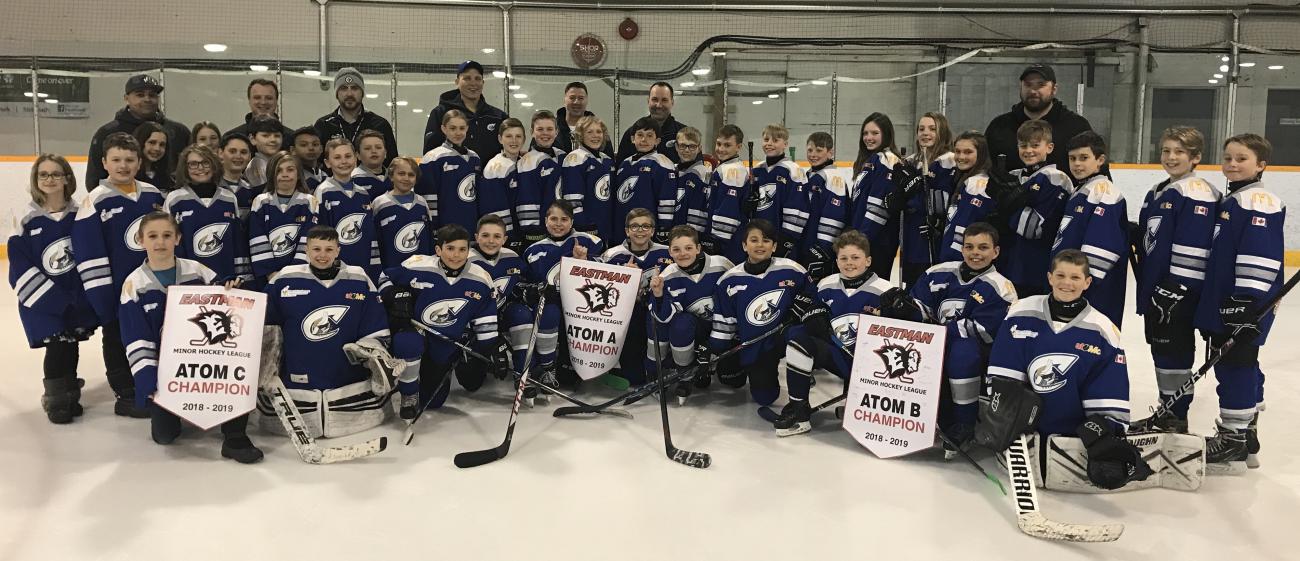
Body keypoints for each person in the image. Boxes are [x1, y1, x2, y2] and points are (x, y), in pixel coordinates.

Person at [980, 250, 1148, 491]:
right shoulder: (1022, 312)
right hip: (1024, 426)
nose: (1066, 283)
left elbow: (1108, 386)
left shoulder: (1103, 330)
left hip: (1072, 433)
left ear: (1087, 282)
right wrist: (1003, 417)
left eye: (1075, 278)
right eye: (1060, 275)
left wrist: (1104, 432)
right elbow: (1004, 373)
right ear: (1049, 277)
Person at [117, 211, 261, 462]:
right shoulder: (134, 285)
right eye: (153, 236)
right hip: (168, 370)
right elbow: (136, 340)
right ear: (141, 240)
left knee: (235, 372)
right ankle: (177, 410)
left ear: (178, 238)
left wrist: (232, 287)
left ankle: (235, 435)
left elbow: (224, 291)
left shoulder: (196, 270)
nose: (160, 242)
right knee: (164, 436)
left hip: (208, 359)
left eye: (166, 235)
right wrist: (149, 383)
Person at [1191, 133, 1285, 471]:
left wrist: (1246, 302)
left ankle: (1233, 437)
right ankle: (1247, 432)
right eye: (1228, 157)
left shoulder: (1256, 200)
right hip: (1234, 301)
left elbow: (1260, 255)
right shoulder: (1236, 199)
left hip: (1245, 303)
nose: (1232, 163)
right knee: (1243, 360)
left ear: (1261, 165)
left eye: (1241, 158)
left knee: (1235, 363)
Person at [889, 222, 1018, 449]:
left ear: (996, 252)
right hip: (934, 340)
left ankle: (964, 423)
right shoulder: (938, 272)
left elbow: (983, 330)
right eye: (969, 247)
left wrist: (932, 331)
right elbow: (921, 306)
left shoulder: (1001, 287)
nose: (975, 253)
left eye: (983, 248)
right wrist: (905, 308)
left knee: (962, 351)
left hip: (977, 351)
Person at [259, 226, 391, 438]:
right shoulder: (285, 278)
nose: (322, 255)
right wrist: (267, 366)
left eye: (329, 249)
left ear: (338, 250)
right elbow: (266, 324)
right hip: (296, 380)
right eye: (317, 249)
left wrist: (370, 350)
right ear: (306, 251)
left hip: (350, 387)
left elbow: (375, 325)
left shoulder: (358, 278)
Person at [1129, 127, 1219, 434]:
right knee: (1163, 352)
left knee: (1175, 353)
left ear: (1196, 157)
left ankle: (1175, 417)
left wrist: (1177, 287)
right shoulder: (1160, 190)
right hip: (1159, 289)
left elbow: (1195, 245)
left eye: (1179, 152)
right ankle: (1168, 410)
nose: (1171, 157)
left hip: (1178, 292)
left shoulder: (1196, 191)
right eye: (1166, 150)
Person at [72, 132, 166, 418]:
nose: (123, 166)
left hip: (152, 284)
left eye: (129, 160)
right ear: (104, 163)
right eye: (116, 160)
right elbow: (89, 255)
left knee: (150, 335)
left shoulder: (152, 195)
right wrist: (103, 298)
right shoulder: (95, 201)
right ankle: (125, 392)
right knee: (116, 336)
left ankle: (153, 385)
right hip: (116, 290)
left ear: (139, 162)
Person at [771, 230, 893, 436]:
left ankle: (862, 403)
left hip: (873, 367)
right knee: (798, 338)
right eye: (843, 258)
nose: (849, 263)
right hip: (839, 355)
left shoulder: (885, 290)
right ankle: (798, 410)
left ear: (868, 260)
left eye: (855, 257)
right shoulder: (826, 284)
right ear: (836, 261)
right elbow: (813, 311)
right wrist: (812, 317)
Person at [9, 155, 98, 424]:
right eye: (43, 175)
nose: (50, 180)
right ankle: (56, 400)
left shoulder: (81, 213)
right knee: (56, 345)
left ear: (67, 178)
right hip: (43, 299)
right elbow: (19, 263)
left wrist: (84, 294)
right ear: (36, 180)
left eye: (56, 174)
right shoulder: (25, 218)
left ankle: (70, 393)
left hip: (75, 294)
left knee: (71, 344)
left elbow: (91, 253)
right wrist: (51, 298)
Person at [381, 224, 503, 418]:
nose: (456, 255)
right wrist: (394, 294)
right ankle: (409, 394)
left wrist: (492, 350)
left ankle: (429, 378)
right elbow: (385, 276)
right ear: (438, 250)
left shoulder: (480, 279)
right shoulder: (417, 265)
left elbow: (485, 319)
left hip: (445, 341)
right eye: (450, 249)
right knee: (406, 342)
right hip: (416, 331)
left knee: (434, 402)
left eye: (462, 249)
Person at [706, 219, 809, 406]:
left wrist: (804, 308)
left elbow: (811, 298)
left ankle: (800, 376)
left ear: (774, 246)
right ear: (745, 246)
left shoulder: (792, 270)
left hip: (783, 336)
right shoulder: (729, 280)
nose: (760, 245)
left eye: (766, 240)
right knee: (763, 397)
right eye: (754, 240)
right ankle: (751, 368)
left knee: (800, 337)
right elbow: (725, 322)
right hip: (754, 344)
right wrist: (714, 351)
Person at [517, 200, 604, 397]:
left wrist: (584, 261)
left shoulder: (589, 242)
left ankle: (581, 365)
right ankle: (546, 368)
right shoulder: (532, 251)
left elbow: (606, 273)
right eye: (553, 219)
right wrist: (534, 290)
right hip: (550, 305)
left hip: (583, 305)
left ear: (572, 222)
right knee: (549, 313)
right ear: (545, 221)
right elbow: (526, 282)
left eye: (564, 219)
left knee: (569, 377)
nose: (558, 223)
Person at [647, 225, 734, 402]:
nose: (683, 254)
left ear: (698, 248)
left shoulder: (721, 265)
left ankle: (707, 367)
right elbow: (664, 318)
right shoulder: (668, 275)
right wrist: (658, 293)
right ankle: (683, 375)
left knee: (734, 380)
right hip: (696, 331)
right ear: (669, 252)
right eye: (676, 249)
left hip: (723, 328)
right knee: (680, 324)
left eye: (688, 248)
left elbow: (736, 301)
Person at [1051, 131, 1128, 327]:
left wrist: (1080, 285)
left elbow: (1102, 248)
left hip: (1093, 292)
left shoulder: (1104, 191)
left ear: (1100, 160)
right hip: (1076, 286)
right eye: (1072, 158)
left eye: (1084, 158)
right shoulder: (1082, 190)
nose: (1077, 164)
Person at [813, 113, 902, 279]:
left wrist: (861, 241)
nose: (868, 137)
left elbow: (878, 209)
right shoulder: (869, 161)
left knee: (873, 290)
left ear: (886, 134)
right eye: (865, 133)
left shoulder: (886, 159)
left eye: (875, 133)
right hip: (864, 239)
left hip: (875, 241)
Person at [994, 120, 1073, 297]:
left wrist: (1004, 208)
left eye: (1035, 145)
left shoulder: (1056, 179)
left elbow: (1033, 228)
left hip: (1036, 269)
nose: (1028, 150)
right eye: (1023, 145)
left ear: (1050, 147)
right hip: (1008, 265)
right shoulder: (1014, 176)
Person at [601, 208, 672, 386]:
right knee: (634, 379)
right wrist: (625, 281)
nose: (640, 231)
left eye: (645, 226)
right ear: (626, 231)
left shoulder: (667, 253)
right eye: (635, 226)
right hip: (626, 313)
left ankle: (662, 366)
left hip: (657, 308)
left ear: (653, 230)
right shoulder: (612, 255)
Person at [985, 64, 1101, 172]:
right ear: (1020, 87)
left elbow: (1097, 171)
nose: (1033, 91)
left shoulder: (1077, 126)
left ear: (1054, 89)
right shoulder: (999, 126)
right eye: (1028, 84)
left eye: (1041, 85)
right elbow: (982, 168)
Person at [164, 144, 251, 284]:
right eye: (193, 164)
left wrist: (240, 277)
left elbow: (237, 241)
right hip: (188, 282)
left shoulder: (228, 198)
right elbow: (169, 243)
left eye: (205, 163)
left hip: (226, 280)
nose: (200, 168)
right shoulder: (175, 199)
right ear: (185, 168)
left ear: (214, 165)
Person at [86, 74, 189, 188]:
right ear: (126, 98)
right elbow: (94, 179)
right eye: (140, 95)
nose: (147, 99)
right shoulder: (107, 133)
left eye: (152, 95)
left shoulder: (178, 131)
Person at [897, 113, 958, 287]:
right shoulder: (910, 162)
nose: (925, 133)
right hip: (911, 235)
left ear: (943, 132)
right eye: (921, 129)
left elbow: (944, 202)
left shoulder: (949, 161)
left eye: (932, 129)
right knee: (911, 283)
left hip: (935, 237)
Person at [308, 138, 381, 281]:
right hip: (334, 268)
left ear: (356, 158)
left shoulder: (363, 194)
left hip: (363, 266)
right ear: (328, 163)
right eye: (337, 157)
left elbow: (370, 234)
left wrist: (375, 266)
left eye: (348, 156)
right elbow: (320, 233)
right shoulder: (323, 191)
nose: (344, 161)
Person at [468, 214, 531, 377]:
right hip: (474, 321)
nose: (491, 241)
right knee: (472, 383)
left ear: (504, 239)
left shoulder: (511, 257)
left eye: (497, 236)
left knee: (521, 314)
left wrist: (529, 289)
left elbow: (523, 281)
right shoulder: (466, 259)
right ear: (476, 237)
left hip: (502, 313)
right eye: (485, 235)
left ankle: (522, 372)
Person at [248, 151, 316, 286]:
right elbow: (257, 238)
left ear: (298, 174)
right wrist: (270, 273)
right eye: (279, 170)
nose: (285, 174)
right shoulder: (261, 201)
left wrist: (296, 270)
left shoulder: (309, 202)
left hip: (301, 275)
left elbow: (308, 239)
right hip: (268, 278)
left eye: (290, 170)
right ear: (271, 175)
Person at [423, 60, 508, 162]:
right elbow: (429, 153)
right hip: (451, 177)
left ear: (483, 82)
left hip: (489, 177)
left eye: (477, 78)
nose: (473, 83)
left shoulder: (498, 116)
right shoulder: (440, 113)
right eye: (467, 78)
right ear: (457, 82)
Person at [314, 67, 398, 169]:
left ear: (362, 93)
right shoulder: (323, 125)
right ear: (337, 94)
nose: (349, 94)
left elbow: (392, 163)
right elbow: (317, 163)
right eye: (344, 88)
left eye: (354, 88)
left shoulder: (379, 124)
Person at [611, 117, 675, 246]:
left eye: (649, 136)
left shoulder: (663, 163)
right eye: (640, 135)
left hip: (646, 229)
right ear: (632, 139)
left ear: (657, 141)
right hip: (622, 226)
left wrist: (664, 227)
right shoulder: (625, 163)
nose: (644, 139)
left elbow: (667, 199)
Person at [749, 124, 810, 261]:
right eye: (766, 140)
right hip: (758, 239)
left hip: (782, 240)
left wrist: (787, 239)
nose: (769, 144)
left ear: (785, 144)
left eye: (775, 141)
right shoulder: (758, 170)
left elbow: (798, 209)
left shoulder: (793, 170)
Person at [935, 131, 994, 264]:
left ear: (981, 154)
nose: (961, 156)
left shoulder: (977, 184)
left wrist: (951, 258)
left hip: (961, 260)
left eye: (968, 152)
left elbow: (965, 225)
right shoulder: (964, 180)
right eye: (958, 151)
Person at [418, 110, 481, 232]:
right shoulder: (432, 158)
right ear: (443, 129)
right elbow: (427, 195)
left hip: (471, 225)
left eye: (462, 128)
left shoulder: (475, 158)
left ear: (467, 128)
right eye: (452, 128)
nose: (458, 133)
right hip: (445, 227)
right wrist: (433, 227)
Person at [515, 111, 567, 243]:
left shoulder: (563, 156)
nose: (545, 133)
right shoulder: (528, 161)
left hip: (563, 227)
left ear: (556, 132)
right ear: (532, 132)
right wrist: (533, 231)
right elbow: (526, 198)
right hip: (541, 232)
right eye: (540, 129)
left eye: (549, 129)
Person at [372, 156, 432, 269]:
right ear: (391, 176)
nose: (406, 178)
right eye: (401, 173)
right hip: (391, 268)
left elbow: (429, 238)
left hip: (421, 268)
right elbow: (374, 240)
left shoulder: (422, 203)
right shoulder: (380, 203)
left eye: (411, 175)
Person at [800, 131, 844, 281]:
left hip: (819, 249)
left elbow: (835, 216)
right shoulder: (809, 175)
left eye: (819, 150)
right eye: (810, 150)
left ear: (830, 152)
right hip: (806, 243)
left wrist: (823, 249)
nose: (813, 154)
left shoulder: (833, 177)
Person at [705, 125, 750, 263]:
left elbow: (728, 209)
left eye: (727, 145)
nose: (721, 149)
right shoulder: (725, 167)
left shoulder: (733, 171)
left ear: (738, 147)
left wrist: (717, 240)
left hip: (728, 241)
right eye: (719, 144)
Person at [615, 82, 688, 164]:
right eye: (655, 99)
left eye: (664, 100)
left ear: (672, 102)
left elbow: (696, 168)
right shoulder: (632, 132)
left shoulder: (685, 134)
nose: (659, 105)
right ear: (648, 101)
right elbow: (620, 169)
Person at [479, 117, 526, 241]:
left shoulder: (525, 163)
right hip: (506, 237)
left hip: (522, 231)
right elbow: (494, 207)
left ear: (524, 139)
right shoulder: (494, 167)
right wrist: (507, 237)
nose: (514, 141)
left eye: (518, 136)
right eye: (509, 136)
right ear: (500, 139)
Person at [672, 126, 711, 237]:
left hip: (691, 236)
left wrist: (693, 236)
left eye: (692, 146)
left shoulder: (704, 174)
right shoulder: (670, 171)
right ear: (676, 146)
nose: (687, 150)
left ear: (699, 148)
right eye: (683, 146)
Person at [555, 81, 612, 156]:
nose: (576, 102)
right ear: (564, 100)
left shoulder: (599, 129)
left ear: (587, 100)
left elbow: (608, 157)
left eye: (581, 98)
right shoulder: (552, 128)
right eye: (572, 98)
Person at [228, 78, 294, 141]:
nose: (263, 102)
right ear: (249, 100)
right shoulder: (233, 137)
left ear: (276, 101)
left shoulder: (291, 138)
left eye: (269, 98)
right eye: (257, 97)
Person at [216, 133, 257, 220]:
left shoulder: (252, 190)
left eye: (243, 152)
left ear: (250, 156)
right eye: (232, 151)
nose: (238, 156)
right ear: (220, 153)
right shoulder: (211, 187)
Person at [242, 118, 286, 192]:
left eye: (277, 136)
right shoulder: (256, 164)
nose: (273, 140)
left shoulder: (281, 162)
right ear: (252, 139)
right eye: (265, 136)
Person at [133, 122, 174, 193]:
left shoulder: (168, 179)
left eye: (162, 144)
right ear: (140, 143)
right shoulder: (129, 175)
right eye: (152, 142)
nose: (157, 148)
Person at [351, 129, 391, 194]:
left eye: (378, 147)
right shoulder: (352, 179)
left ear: (385, 153)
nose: (374, 151)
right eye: (367, 148)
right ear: (358, 155)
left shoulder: (394, 177)